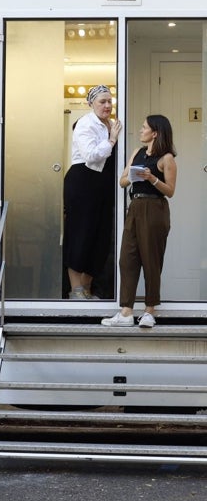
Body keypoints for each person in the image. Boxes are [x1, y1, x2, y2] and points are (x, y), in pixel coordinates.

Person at [102, 115, 177, 328]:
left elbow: (170, 191)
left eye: (144, 127)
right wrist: (135, 176)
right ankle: (126, 312)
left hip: (155, 208)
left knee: (151, 261)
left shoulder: (167, 158)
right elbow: (122, 180)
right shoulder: (137, 153)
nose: (141, 130)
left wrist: (152, 178)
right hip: (134, 207)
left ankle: (149, 311)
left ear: (155, 133)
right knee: (127, 259)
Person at [63, 85, 122, 300]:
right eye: (102, 102)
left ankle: (87, 289)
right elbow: (90, 155)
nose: (107, 105)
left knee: (100, 236)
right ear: (91, 104)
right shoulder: (85, 124)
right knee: (80, 234)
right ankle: (75, 290)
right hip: (82, 182)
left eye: (110, 101)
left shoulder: (113, 124)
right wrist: (112, 140)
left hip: (103, 185)